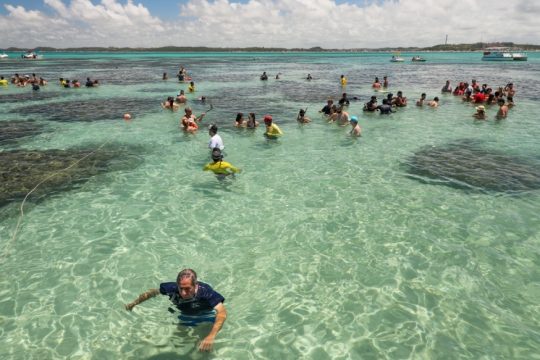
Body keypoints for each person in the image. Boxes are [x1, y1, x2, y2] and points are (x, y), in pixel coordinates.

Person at [125, 268, 226, 352]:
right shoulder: (171, 288)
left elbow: (222, 313)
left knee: (204, 349)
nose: (183, 293)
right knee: (179, 342)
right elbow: (152, 292)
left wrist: (211, 336)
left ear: (196, 285)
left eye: (187, 289)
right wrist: (134, 303)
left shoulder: (206, 292)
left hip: (205, 316)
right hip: (185, 315)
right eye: (181, 288)